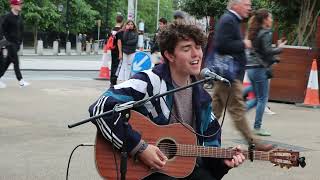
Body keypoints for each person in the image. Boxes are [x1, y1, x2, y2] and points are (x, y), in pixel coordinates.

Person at [89, 21, 245, 180]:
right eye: (187, 48)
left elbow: (209, 153)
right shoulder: (149, 82)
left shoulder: (203, 100)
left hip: (175, 169)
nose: (196, 54)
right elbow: (101, 109)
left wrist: (222, 164)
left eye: (198, 47)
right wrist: (139, 147)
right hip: (142, 169)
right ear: (169, 55)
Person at [211, 0, 273, 151]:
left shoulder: (231, 20)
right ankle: (255, 143)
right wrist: (243, 44)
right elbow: (220, 45)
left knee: (214, 111)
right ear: (235, 5)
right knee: (237, 110)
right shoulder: (228, 20)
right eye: (246, 5)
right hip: (228, 75)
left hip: (226, 74)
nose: (249, 8)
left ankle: (198, 134)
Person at [245, 9, 287, 136]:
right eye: (270, 17)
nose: (272, 20)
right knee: (262, 99)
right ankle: (257, 127)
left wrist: (275, 57)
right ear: (265, 19)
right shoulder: (266, 32)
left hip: (251, 68)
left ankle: (238, 111)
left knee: (258, 97)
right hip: (259, 69)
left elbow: (262, 52)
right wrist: (279, 48)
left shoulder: (255, 32)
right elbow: (268, 51)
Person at [0, 0, 29, 88]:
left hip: (16, 44)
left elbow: (21, 31)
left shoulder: (19, 18)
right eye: (18, 4)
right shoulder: (7, 17)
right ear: (12, 5)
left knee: (7, 63)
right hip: (9, 43)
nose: (20, 5)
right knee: (16, 62)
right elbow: (1, 29)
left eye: (21, 4)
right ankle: (21, 81)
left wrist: (20, 42)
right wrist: (3, 40)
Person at [109, 14, 124, 86]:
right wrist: (120, 52)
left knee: (113, 64)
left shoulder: (113, 29)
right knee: (117, 65)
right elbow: (119, 41)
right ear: (122, 21)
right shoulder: (120, 30)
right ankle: (114, 80)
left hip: (113, 49)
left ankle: (111, 80)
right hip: (118, 50)